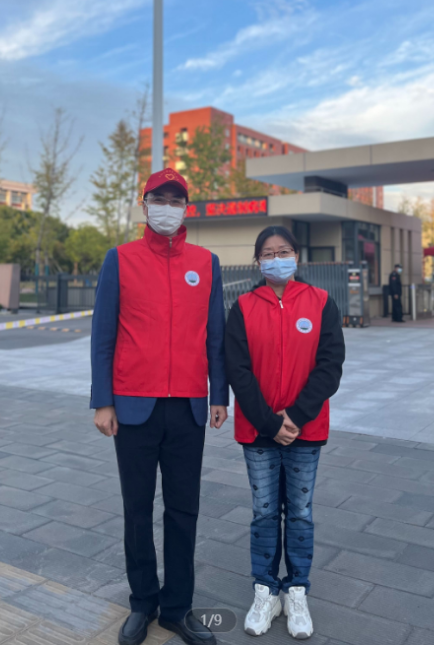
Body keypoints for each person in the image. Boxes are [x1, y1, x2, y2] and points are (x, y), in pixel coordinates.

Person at [91, 168, 229, 645]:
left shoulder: (206, 263)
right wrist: (102, 401)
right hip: (133, 406)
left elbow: (216, 336)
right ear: (144, 203)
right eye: (159, 198)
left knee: (183, 509)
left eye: (176, 200)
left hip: (188, 407)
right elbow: (103, 335)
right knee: (136, 508)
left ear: (186, 208)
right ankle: (142, 602)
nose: (167, 207)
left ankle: (177, 608)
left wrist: (218, 394)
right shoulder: (121, 259)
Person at [225, 226, 345, 640]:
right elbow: (238, 371)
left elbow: (330, 365)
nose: (277, 259)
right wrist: (271, 423)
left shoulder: (321, 302)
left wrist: (294, 416)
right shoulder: (242, 307)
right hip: (259, 431)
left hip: (305, 430)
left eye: (284, 251)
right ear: (257, 261)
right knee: (263, 512)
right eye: (268, 253)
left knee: (300, 513)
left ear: (297, 256)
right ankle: (265, 590)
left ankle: (296, 591)